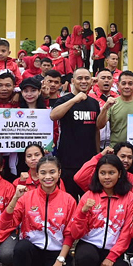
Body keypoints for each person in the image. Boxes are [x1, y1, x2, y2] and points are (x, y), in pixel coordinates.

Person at [2, 156, 76, 266]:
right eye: (43, 173)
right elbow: (5, 224)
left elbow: (70, 234)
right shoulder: (27, 198)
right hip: (32, 250)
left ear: (59, 173)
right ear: (36, 174)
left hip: (55, 253)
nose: (48, 177)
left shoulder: (68, 200)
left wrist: (60, 260)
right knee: (21, 248)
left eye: (52, 172)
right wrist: (15, 198)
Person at [69, 154, 133, 266]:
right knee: (86, 256)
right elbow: (75, 232)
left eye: (111, 173)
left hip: (113, 248)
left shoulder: (129, 197)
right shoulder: (89, 196)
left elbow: (126, 231)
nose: (106, 177)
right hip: (89, 244)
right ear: (97, 174)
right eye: (102, 173)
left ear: (120, 173)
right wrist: (82, 212)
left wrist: (112, 256)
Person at [51, 68, 101, 200]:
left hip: (88, 162)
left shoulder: (94, 103)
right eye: (80, 78)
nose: (83, 81)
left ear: (91, 81)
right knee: (69, 201)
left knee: (89, 201)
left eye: (87, 78)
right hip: (68, 161)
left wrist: (96, 155)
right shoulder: (64, 100)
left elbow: (96, 130)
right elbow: (53, 115)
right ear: (73, 81)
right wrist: (74, 100)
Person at [97, 70, 133, 146]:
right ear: (118, 85)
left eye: (130, 83)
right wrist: (105, 108)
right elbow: (100, 125)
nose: (127, 86)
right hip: (115, 151)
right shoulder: (112, 103)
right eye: (123, 83)